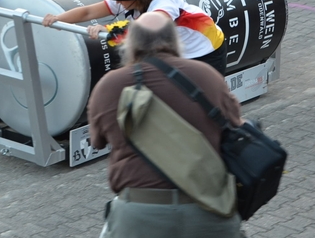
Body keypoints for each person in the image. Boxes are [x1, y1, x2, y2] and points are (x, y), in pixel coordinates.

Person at [87, 13, 242, 238]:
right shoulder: (207, 75)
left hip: (140, 213)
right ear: (175, 40)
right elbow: (236, 124)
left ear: (130, 44)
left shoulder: (110, 85)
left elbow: (97, 141)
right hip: (210, 208)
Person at [42, 0, 228, 74]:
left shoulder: (165, 0)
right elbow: (88, 12)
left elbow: (149, 28)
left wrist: (108, 29)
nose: (116, 1)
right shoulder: (127, 0)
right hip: (177, 54)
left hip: (207, 50)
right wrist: (58, 19)